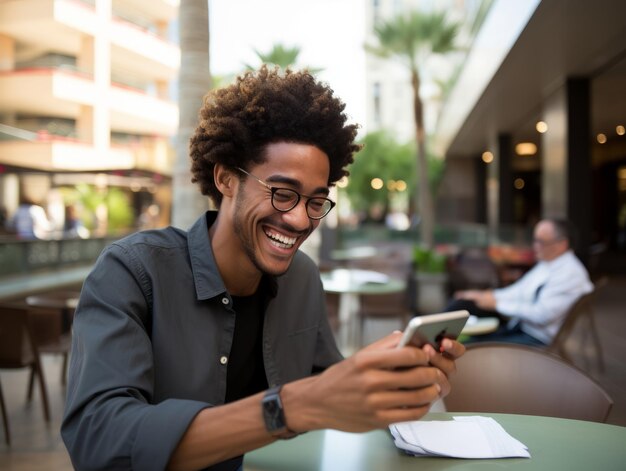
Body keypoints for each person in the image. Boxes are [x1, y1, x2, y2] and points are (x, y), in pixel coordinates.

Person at [61, 67, 465, 471]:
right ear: (225, 178)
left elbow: (330, 385)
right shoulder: (133, 272)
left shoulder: (302, 277)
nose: (301, 221)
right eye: (283, 194)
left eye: (315, 202)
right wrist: (291, 407)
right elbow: (99, 440)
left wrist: (394, 382)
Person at [448, 218, 593, 346]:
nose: (535, 246)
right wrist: (484, 295)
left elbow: (541, 315)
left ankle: (438, 347)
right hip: (520, 325)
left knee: (470, 345)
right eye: (535, 240)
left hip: (534, 337)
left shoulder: (569, 274)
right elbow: (518, 290)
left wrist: (497, 303)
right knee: (464, 303)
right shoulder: (549, 263)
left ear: (562, 244)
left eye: (541, 241)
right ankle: (432, 338)